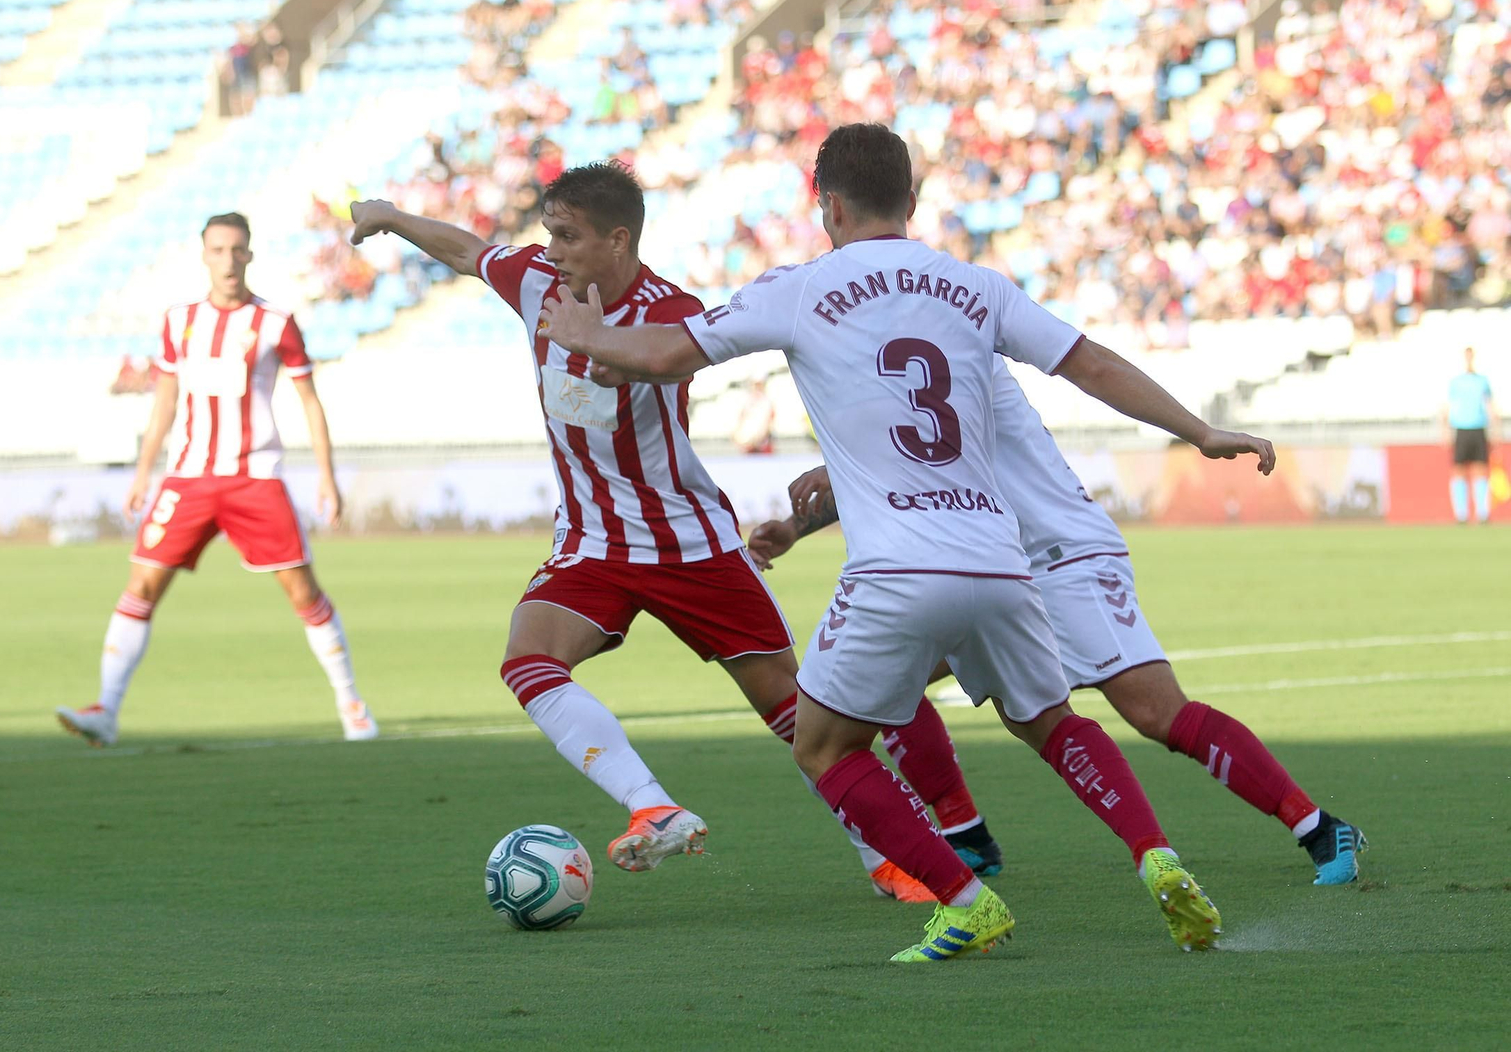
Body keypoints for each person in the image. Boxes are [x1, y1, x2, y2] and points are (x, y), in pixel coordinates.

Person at [539, 124, 1277, 961]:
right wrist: (1199, 430)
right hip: (1002, 561)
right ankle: (1157, 856)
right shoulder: (975, 287)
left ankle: (964, 899)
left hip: (897, 567)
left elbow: (671, 351)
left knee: (822, 743)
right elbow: (1092, 364)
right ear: (912, 202)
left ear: (830, 205)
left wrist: (582, 334)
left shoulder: (800, 288)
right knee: (1053, 723)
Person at [348, 164, 997, 889]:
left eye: (568, 236)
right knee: (528, 659)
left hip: (689, 543)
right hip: (592, 541)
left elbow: (649, 369)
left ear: (618, 240)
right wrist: (393, 216)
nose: (552, 250)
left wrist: (603, 353)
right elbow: (470, 252)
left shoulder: (670, 309)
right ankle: (652, 806)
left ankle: (894, 857)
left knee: (798, 715)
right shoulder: (535, 278)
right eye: (549, 234)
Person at [748, 353, 1368, 886]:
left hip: (1060, 552)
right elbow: (912, 466)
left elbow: (935, 440)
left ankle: (1320, 828)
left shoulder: (955, 338)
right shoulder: (903, 347)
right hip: (983, 563)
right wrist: (801, 527)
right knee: (887, 683)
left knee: (1155, 711)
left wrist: (830, 484)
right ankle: (966, 832)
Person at [57, 213, 377, 746]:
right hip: (188, 478)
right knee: (140, 585)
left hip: (255, 477)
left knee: (303, 591)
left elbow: (309, 401)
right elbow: (164, 400)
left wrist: (327, 476)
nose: (229, 260)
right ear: (204, 255)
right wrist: (144, 472)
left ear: (250, 255)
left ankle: (353, 707)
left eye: (238, 250)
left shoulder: (276, 322)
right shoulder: (178, 320)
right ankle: (105, 711)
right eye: (219, 250)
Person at [1444, 347, 1498, 523]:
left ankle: (1482, 513)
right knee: (1458, 470)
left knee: (1480, 469)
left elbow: (1489, 405)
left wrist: (1495, 429)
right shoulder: (1456, 382)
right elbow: (1448, 407)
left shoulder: (1482, 381)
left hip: (1478, 428)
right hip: (1461, 428)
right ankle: (1461, 514)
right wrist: (1445, 430)